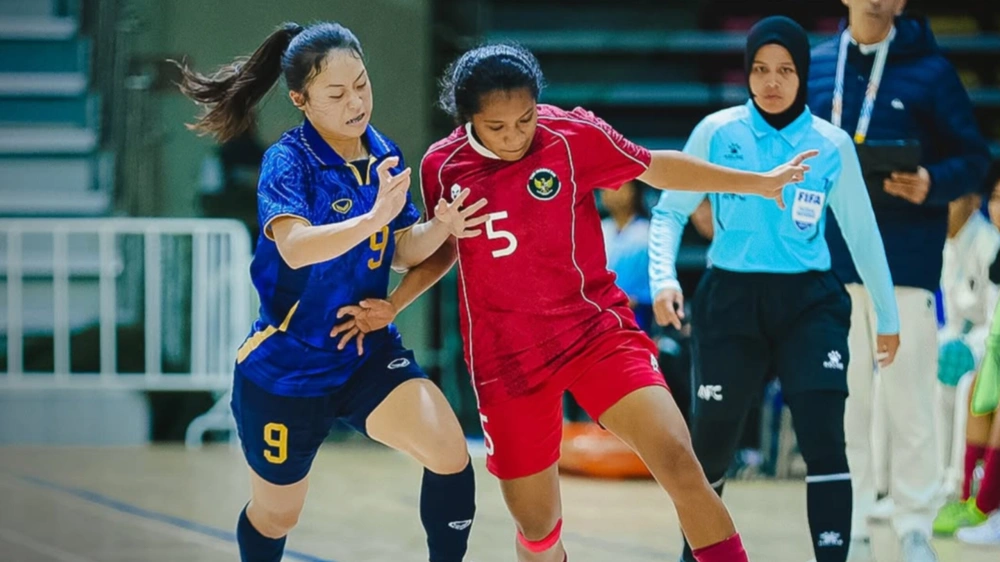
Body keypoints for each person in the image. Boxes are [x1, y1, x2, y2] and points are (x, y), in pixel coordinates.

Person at [335, 41, 814, 562]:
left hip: (594, 333)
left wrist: (757, 183)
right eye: (498, 127)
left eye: (524, 119)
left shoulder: (571, 135)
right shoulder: (442, 166)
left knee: (679, 461)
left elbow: (657, 167)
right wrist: (397, 302)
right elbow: (443, 249)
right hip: (508, 359)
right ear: (468, 118)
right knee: (537, 529)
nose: (516, 135)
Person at [174, 22, 486, 562]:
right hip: (287, 367)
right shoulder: (287, 161)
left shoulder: (381, 150)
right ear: (301, 99)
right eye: (337, 94)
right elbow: (295, 247)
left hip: (363, 350)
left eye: (362, 85)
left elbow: (402, 249)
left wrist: (441, 226)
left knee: (448, 451)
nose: (356, 102)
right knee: (278, 514)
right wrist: (373, 218)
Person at [648, 17, 899, 562]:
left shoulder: (830, 145)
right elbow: (668, 213)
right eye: (760, 69)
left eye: (785, 70)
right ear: (748, 73)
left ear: (802, 75)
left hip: (810, 305)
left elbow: (862, 233)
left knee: (825, 442)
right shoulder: (717, 132)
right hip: (730, 303)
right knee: (710, 449)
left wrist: (888, 314)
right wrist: (664, 278)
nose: (771, 81)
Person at [807, 2, 992, 559]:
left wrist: (933, 181)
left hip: (906, 263)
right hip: (830, 262)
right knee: (846, 399)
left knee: (909, 396)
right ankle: (855, 521)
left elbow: (975, 158)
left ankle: (914, 524)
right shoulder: (815, 66)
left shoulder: (932, 71)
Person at [600, 180, 654, 333]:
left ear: (634, 191)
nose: (611, 192)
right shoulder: (600, 229)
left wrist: (638, 298)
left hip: (640, 310)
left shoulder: (648, 231)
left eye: (619, 187)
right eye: (606, 188)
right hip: (602, 310)